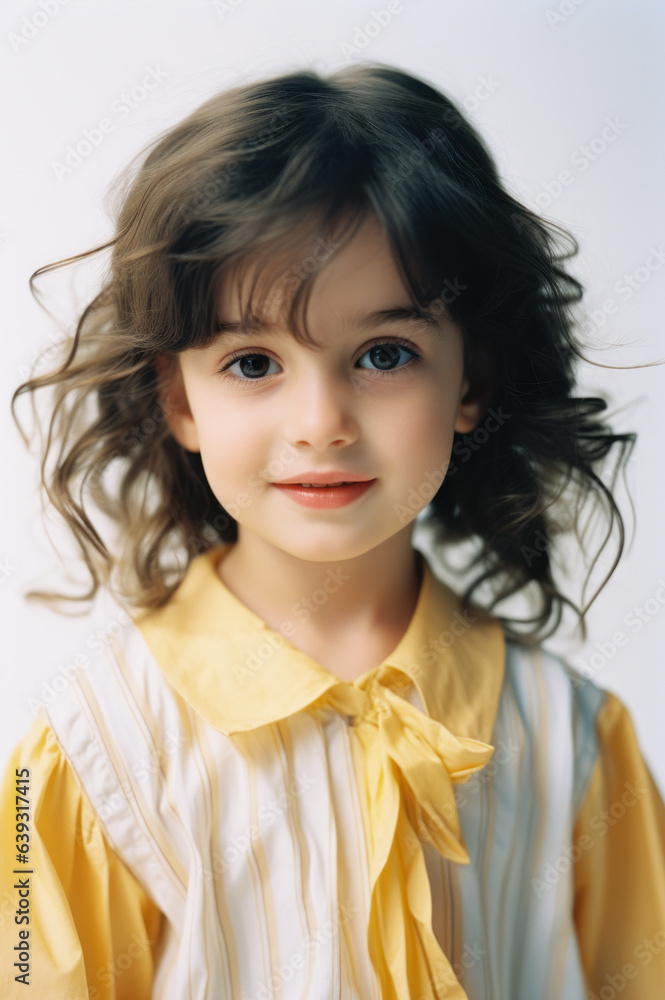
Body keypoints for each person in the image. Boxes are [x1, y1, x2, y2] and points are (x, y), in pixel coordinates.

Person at [1, 62, 664, 1000]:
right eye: (252, 361)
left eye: (383, 355)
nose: (320, 422)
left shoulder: (576, 740)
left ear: (468, 382)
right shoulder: (89, 751)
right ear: (177, 399)